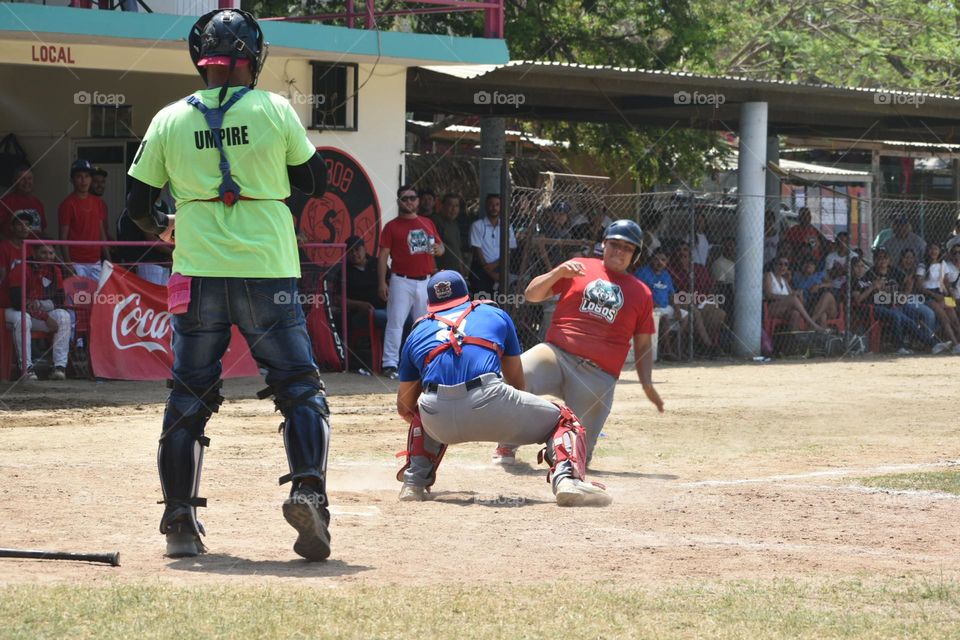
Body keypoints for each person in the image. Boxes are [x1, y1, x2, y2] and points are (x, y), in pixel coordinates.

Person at [125, 8, 332, 561]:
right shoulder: (277, 110)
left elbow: (135, 207)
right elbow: (314, 180)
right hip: (268, 269)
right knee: (299, 388)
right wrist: (263, 178)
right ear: (255, 59)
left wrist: (166, 225)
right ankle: (309, 491)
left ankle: (178, 523)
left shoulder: (168, 119)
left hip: (197, 273)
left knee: (188, 395)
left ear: (201, 60)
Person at [394, 270, 612, 506]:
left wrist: (442, 418)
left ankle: (414, 483)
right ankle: (567, 481)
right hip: (491, 401)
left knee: (421, 411)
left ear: (430, 304)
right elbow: (517, 383)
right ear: (467, 296)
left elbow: (404, 406)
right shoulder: (493, 313)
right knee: (566, 420)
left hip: (439, 418)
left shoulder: (417, 331)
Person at [493, 220, 664, 466]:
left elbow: (644, 344)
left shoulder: (641, 293)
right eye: (614, 244)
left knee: (576, 456)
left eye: (627, 248)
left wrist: (647, 383)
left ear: (635, 255)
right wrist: (557, 273)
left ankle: (557, 447)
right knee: (513, 376)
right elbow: (531, 295)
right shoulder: (579, 267)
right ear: (603, 244)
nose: (619, 251)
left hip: (598, 374)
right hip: (555, 355)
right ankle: (507, 443)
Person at [378, 185, 444, 379]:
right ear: (399, 202)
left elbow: (441, 247)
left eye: (412, 198)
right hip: (401, 280)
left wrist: (439, 250)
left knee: (425, 324)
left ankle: (425, 361)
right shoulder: (391, 226)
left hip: (426, 280)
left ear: (418, 200)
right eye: (405, 198)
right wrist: (382, 282)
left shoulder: (427, 222)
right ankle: (389, 363)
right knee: (395, 322)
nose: (409, 201)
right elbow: (383, 256)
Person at [4, 240, 71, 381]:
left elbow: (59, 301)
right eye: (43, 252)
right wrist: (45, 316)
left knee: (63, 315)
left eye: (51, 253)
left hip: (34, 313)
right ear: (34, 253)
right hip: (8, 311)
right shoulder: (21, 268)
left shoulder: (55, 270)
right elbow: (18, 303)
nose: (48, 256)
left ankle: (59, 367)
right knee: (23, 318)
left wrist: (40, 305)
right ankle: (26, 368)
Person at [59, 159, 110, 281]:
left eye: (87, 176)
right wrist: (68, 263)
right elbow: (63, 236)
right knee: (78, 298)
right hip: (76, 262)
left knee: (96, 299)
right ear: (72, 180)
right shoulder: (67, 204)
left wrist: (108, 259)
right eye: (79, 177)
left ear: (91, 179)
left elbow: (101, 232)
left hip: (96, 261)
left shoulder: (98, 202)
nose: (83, 180)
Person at [469, 193, 516, 295]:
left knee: (501, 301)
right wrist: (490, 271)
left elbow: (510, 249)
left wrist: (496, 266)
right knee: (482, 301)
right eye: (491, 204)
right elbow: (477, 250)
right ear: (486, 206)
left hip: (501, 268)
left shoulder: (507, 226)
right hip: (482, 269)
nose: (494, 207)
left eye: (497, 204)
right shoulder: (477, 225)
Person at [115, 201, 173, 285]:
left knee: (163, 296)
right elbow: (150, 238)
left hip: (164, 263)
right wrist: (173, 252)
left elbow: (169, 232)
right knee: (151, 295)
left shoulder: (164, 205)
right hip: (148, 263)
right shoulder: (141, 205)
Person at [763, 255, 827, 332]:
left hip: (783, 308)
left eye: (786, 264)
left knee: (795, 313)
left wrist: (799, 293)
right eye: (780, 264)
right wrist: (788, 297)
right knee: (793, 298)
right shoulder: (769, 275)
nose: (783, 266)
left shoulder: (784, 280)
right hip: (771, 307)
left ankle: (794, 340)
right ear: (774, 265)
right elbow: (768, 295)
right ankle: (811, 324)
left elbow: (792, 295)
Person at [919, 243, 960, 350]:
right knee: (944, 317)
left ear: (939, 251)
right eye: (931, 249)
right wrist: (934, 295)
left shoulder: (942, 264)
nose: (933, 251)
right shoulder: (923, 265)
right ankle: (956, 345)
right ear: (927, 251)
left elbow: (946, 283)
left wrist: (951, 297)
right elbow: (920, 287)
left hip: (942, 294)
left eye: (936, 249)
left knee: (954, 317)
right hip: (929, 295)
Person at [1, 165, 47, 235]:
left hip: (34, 245)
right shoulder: (5, 202)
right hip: (12, 244)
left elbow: (42, 229)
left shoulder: (37, 203)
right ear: (14, 181)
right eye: (22, 179)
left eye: (29, 178)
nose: (26, 182)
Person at [430, 193, 467, 274]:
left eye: (456, 206)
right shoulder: (435, 221)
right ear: (442, 206)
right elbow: (430, 248)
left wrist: (461, 267)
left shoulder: (455, 224)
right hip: (439, 273)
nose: (454, 209)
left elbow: (457, 248)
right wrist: (434, 270)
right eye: (450, 205)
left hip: (454, 273)